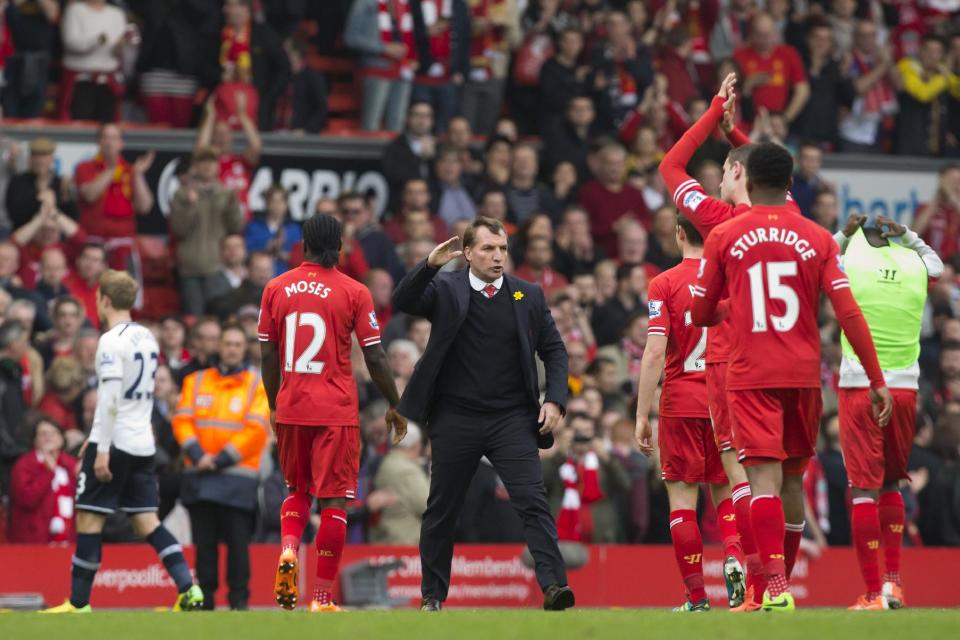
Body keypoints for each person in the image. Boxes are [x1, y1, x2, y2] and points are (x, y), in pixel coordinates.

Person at [690, 142, 893, 612]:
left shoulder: (724, 236)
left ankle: (774, 591)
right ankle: (774, 590)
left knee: (761, 482)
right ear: (789, 184)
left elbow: (701, 313)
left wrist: (732, 305)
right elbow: (848, 312)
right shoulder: (819, 238)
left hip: (751, 375)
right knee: (792, 482)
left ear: (748, 179)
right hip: (803, 377)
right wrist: (876, 378)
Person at [392, 217, 573, 612]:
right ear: (469, 253)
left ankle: (555, 587)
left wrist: (555, 399)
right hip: (456, 416)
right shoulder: (445, 288)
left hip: (511, 418)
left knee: (531, 501)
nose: (498, 256)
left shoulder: (529, 295)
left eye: (503, 249)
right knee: (443, 508)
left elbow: (555, 351)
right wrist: (429, 265)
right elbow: (402, 300)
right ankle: (433, 596)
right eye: (489, 248)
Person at [659, 73, 772, 609]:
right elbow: (771, 171)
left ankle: (743, 588)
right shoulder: (786, 220)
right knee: (759, 484)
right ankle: (766, 585)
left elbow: (670, 166)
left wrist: (712, 115)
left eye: (728, 170)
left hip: (720, 375)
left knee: (722, 485)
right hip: (775, 365)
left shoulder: (719, 221)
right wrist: (737, 135)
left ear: (731, 176)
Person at [258, 214, 407, 612]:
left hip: (291, 406)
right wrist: (394, 402)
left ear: (303, 244)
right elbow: (374, 354)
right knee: (336, 503)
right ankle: (322, 597)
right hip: (335, 411)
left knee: (296, 492)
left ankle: (289, 549)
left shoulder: (276, 287)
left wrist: (275, 403)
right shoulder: (355, 292)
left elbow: (268, 354)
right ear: (339, 246)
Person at [42, 270, 203, 613]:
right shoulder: (147, 337)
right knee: (148, 521)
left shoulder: (110, 340)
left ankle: (79, 603)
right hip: (143, 443)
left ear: (103, 300)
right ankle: (189, 589)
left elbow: (110, 397)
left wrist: (99, 446)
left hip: (114, 444)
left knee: (89, 518)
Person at [634, 214, 745, 611]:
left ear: (679, 233)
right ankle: (734, 554)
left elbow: (654, 351)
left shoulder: (664, 283)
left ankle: (697, 597)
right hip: (724, 400)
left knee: (682, 501)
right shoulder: (731, 279)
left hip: (680, 402)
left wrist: (641, 414)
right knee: (727, 492)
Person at [833, 213, 943, 610]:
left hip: (860, 385)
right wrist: (910, 234)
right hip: (905, 390)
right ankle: (894, 585)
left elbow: (822, 254)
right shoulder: (915, 265)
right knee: (893, 483)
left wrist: (845, 233)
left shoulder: (850, 262)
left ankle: (870, 590)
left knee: (863, 489)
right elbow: (937, 262)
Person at [173, 323, 269, 610]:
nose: (231, 349)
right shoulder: (197, 380)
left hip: (236, 478)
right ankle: (206, 601)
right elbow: (182, 420)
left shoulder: (257, 384)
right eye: (227, 343)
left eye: (237, 345)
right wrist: (197, 453)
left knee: (238, 546)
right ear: (219, 346)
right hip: (200, 476)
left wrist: (218, 459)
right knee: (204, 546)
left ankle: (239, 602)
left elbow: (256, 429)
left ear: (244, 349)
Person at [169, 147, 244, 316]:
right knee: (194, 319)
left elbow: (235, 227)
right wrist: (191, 206)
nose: (208, 166)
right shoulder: (182, 194)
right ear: (195, 166)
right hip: (190, 269)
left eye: (212, 162)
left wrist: (233, 204)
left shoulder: (225, 194)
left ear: (217, 166)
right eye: (203, 162)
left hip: (217, 266)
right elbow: (178, 230)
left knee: (219, 316)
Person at [74, 124, 154, 274]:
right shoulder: (84, 167)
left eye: (114, 138)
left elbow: (145, 207)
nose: (109, 142)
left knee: (125, 293)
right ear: (98, 142)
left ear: (121, 143)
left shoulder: (131, 170)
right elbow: (89, 195)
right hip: (94, 247)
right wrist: (111, 169)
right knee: (92, 292)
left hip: (123, 246)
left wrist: (137, 175)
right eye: (105, 137)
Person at [345, 0, 418, 132]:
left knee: (397, 125)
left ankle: (396, 153)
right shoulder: (365, 3)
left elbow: (413, 35)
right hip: (376, 68)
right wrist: (383, 48)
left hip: (403, 69)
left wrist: (413, 56)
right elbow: (351, 38)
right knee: (371, 125)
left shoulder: (405, 3)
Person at [8, 415, 77, 543]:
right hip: (33, 541)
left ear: (62, 438)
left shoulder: (71, 465)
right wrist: (47, 473)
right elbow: (27, 499)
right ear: (34, 440)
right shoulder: (24, 464)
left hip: (67, 540)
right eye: (43, 433)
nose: (48, 437)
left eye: (53, 433)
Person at [59, 0, 127, 122]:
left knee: (108, 123)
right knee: (79, 122)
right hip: (80, 79)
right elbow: (71, 43)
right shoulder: (75, 10)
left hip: (108, 80)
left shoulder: (117, 13)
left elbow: (118, 52)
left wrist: (123, 45)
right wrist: (97, 40)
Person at [368, 422, 429, 544]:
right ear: (416, 445)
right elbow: (428, 505)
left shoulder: (386, 463)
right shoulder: (408, 470)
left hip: (387, 537)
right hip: (405, 542)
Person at [244, 185, 302, 275]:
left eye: (280, 201)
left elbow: (300, 259)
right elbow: (245, 254)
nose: (277, 205)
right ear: (266, 203)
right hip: (259, 277)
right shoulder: (253, 227)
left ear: (286, 204)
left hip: (286, 277)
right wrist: (266, 248)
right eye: (273, 201)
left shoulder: (294, 229)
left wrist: (284, 255)